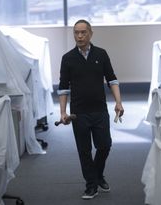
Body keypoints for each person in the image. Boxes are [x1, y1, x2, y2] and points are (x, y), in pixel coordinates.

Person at [57, 19, 124, 200]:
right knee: (84, 150)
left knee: (105, 145)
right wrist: (63, 112)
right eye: (76, 33)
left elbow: (112, 80)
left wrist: (118, 102)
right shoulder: (68, 58)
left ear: (90, 33)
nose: (79, 36)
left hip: (100, 110)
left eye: (83, 32)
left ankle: (97, 174)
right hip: (78, 113)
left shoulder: (101, 54)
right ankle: (91, 185)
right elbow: (63, 88)